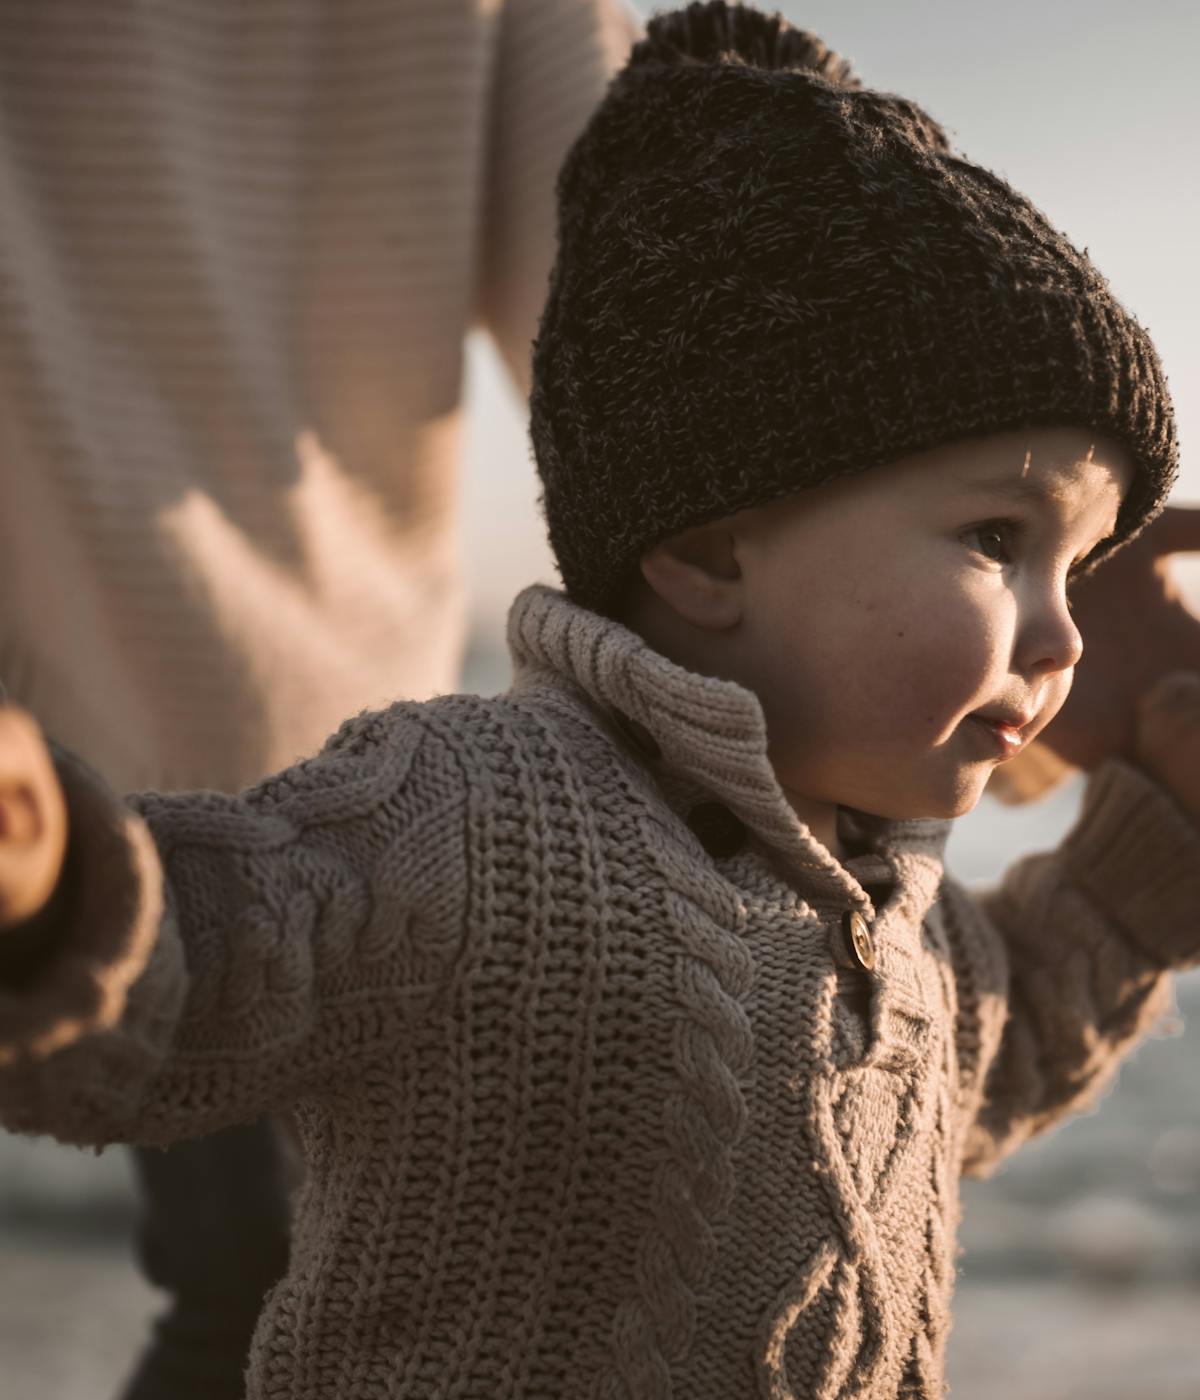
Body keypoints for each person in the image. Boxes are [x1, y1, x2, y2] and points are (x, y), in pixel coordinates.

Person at [1, 3, 1198, 1395]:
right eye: (1000, 538)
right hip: (155, 689)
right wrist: (51, 877)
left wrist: (1151, 841)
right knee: (226, 1289)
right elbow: (196, 974)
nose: (1058, 629)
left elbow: (1000, 1036)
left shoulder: (882, 898)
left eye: (1078, 558)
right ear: (699, 547)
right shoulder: (469, 819)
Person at [0, 1, 638, 1396]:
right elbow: (639, 339)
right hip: (294, 783)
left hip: (226, 798)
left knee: (273, 1303)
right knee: (291, 1310)